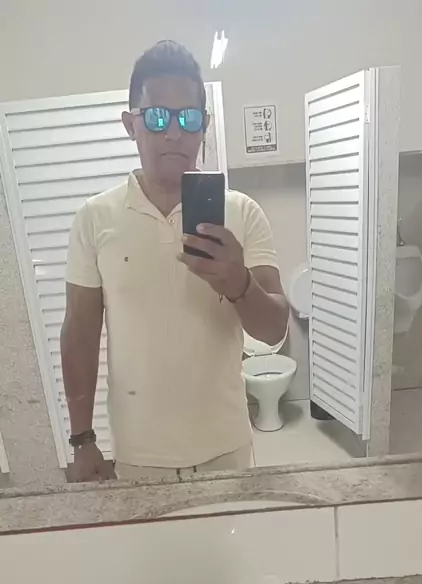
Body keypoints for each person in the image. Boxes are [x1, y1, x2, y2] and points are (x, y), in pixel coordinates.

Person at [61, 40, 289, 482]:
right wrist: (82, 439)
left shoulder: (241, 212)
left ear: (205, 125)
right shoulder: (95, 218)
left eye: (188, 118)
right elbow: (80, 333)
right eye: (157, 117)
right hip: (139, 454)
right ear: (130, 125)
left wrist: (239, 284)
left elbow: (275, 329)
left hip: (226, 446)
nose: (173, 133)